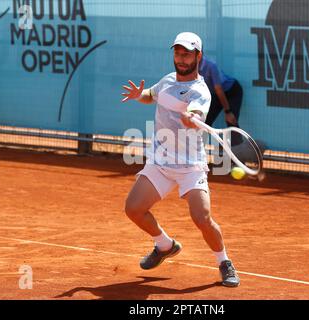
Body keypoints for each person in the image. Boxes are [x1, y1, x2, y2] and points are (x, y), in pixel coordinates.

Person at [121, 32, 240, 287]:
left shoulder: (201, 92)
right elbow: (151, 96)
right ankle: (164, 245)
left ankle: (224, 262)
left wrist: (190, 117)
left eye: (186, 54)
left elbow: (195, 114)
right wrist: (139, 95)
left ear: (198, 56)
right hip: (160, 163)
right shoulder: (166, 82)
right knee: (133, 209)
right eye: (177, 52)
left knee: (202, 218)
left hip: (190, 166)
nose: (181, 58)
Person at [199, 54, 243, 146]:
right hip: (215, 94)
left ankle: (238, 157)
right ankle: (197, 153)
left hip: (232, 91)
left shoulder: (211, 65)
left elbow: (218, 89)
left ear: (199, 54)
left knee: (231, 121)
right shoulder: (188, 66)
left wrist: (228, 112)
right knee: (205, 121)